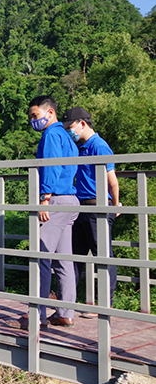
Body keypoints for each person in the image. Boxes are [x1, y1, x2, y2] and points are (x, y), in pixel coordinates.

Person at [8, 96, 79, 330]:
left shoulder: (51, 135)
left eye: (35, 115)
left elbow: (51, 165)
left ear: (50, 113)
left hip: (55, 200)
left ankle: (37, 315)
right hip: (70, 199)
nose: (32, 121)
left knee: (41, 258)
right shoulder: (67, 137)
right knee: (64, 260)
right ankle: (65, 313)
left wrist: (45, 198)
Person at [62, 107, 120, 307]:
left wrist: (115, 204)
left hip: (97, 206)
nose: (70, 132)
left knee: (103, 257)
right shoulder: (81, 147)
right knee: (74, 256)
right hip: (81, 207)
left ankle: (106, 303)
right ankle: (67, 304)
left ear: (82, 124)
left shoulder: (99, 146)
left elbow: (112, 180)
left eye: (70, 127)